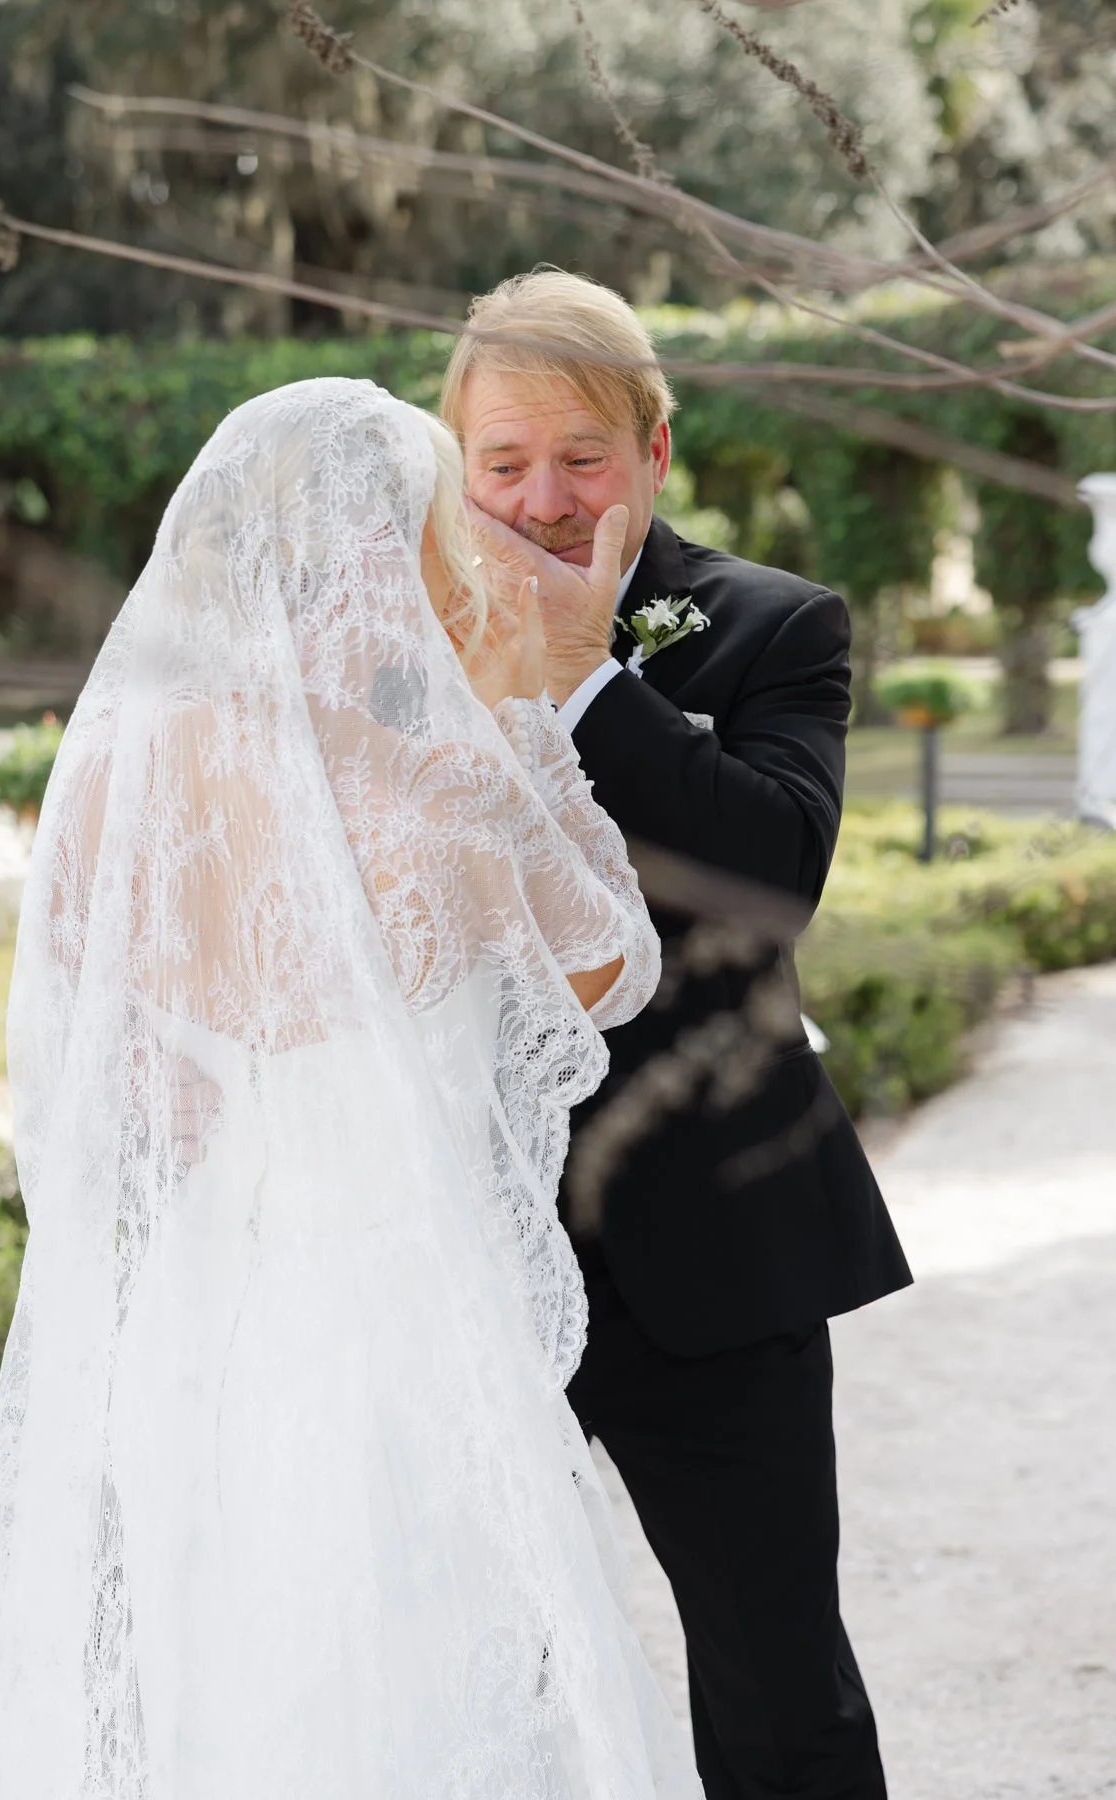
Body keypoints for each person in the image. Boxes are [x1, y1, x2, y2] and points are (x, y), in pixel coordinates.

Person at [0, 378, 706, 1799]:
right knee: (434, 1689)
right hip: (405, 1315)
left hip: (207, 1312)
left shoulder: (121, 772)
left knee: (230, 1681)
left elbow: (111, 1056)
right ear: (383, 556)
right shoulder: (441, 787)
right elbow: (614, 969)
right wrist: (530, 722)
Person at [442, 269, 913, 1800]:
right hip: (457, 1256)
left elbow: (772, 879)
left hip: (712, 1248)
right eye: (502, 461)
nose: (539, 499)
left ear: (657, 446)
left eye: (581, 456)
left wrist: (583, 670)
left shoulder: (776, 626)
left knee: (778, 1688)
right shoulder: (381, 641)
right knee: (466, 1678)